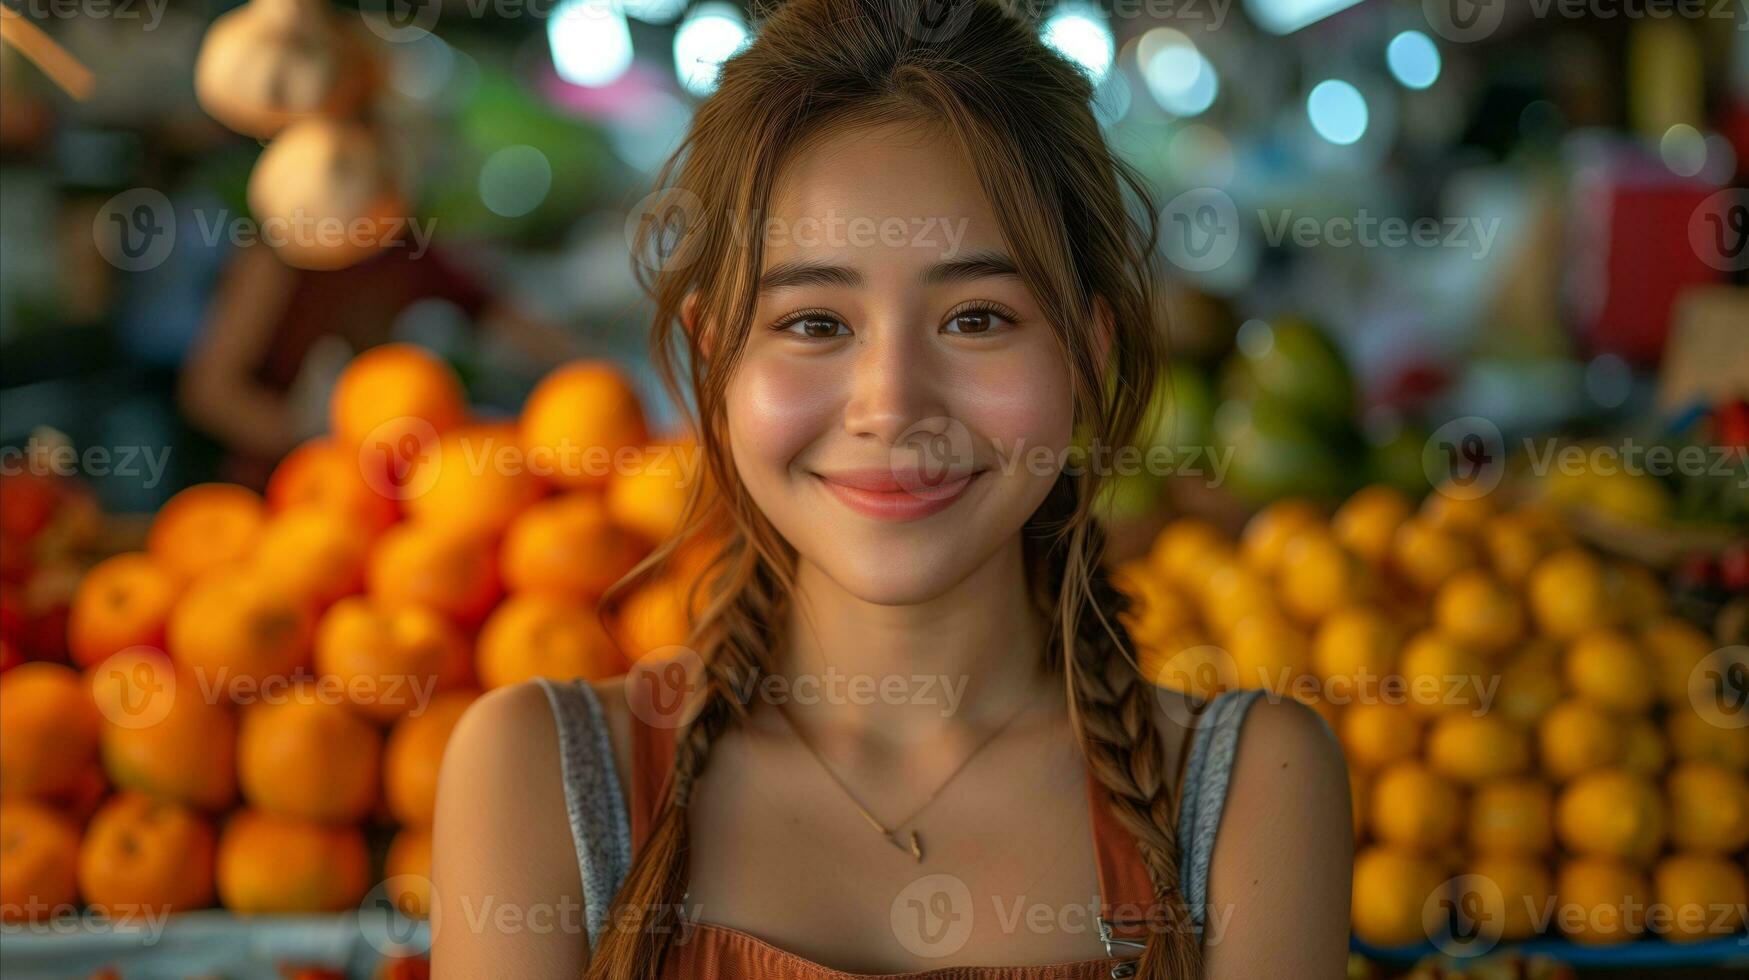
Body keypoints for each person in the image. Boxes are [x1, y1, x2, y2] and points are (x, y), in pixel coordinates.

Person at [432, 2, 1352, 977]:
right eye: (816, 323)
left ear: (1088, 352)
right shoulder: (541, 775)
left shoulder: (1254, 789)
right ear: (715, 361)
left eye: (978, 318)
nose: (893, 405)